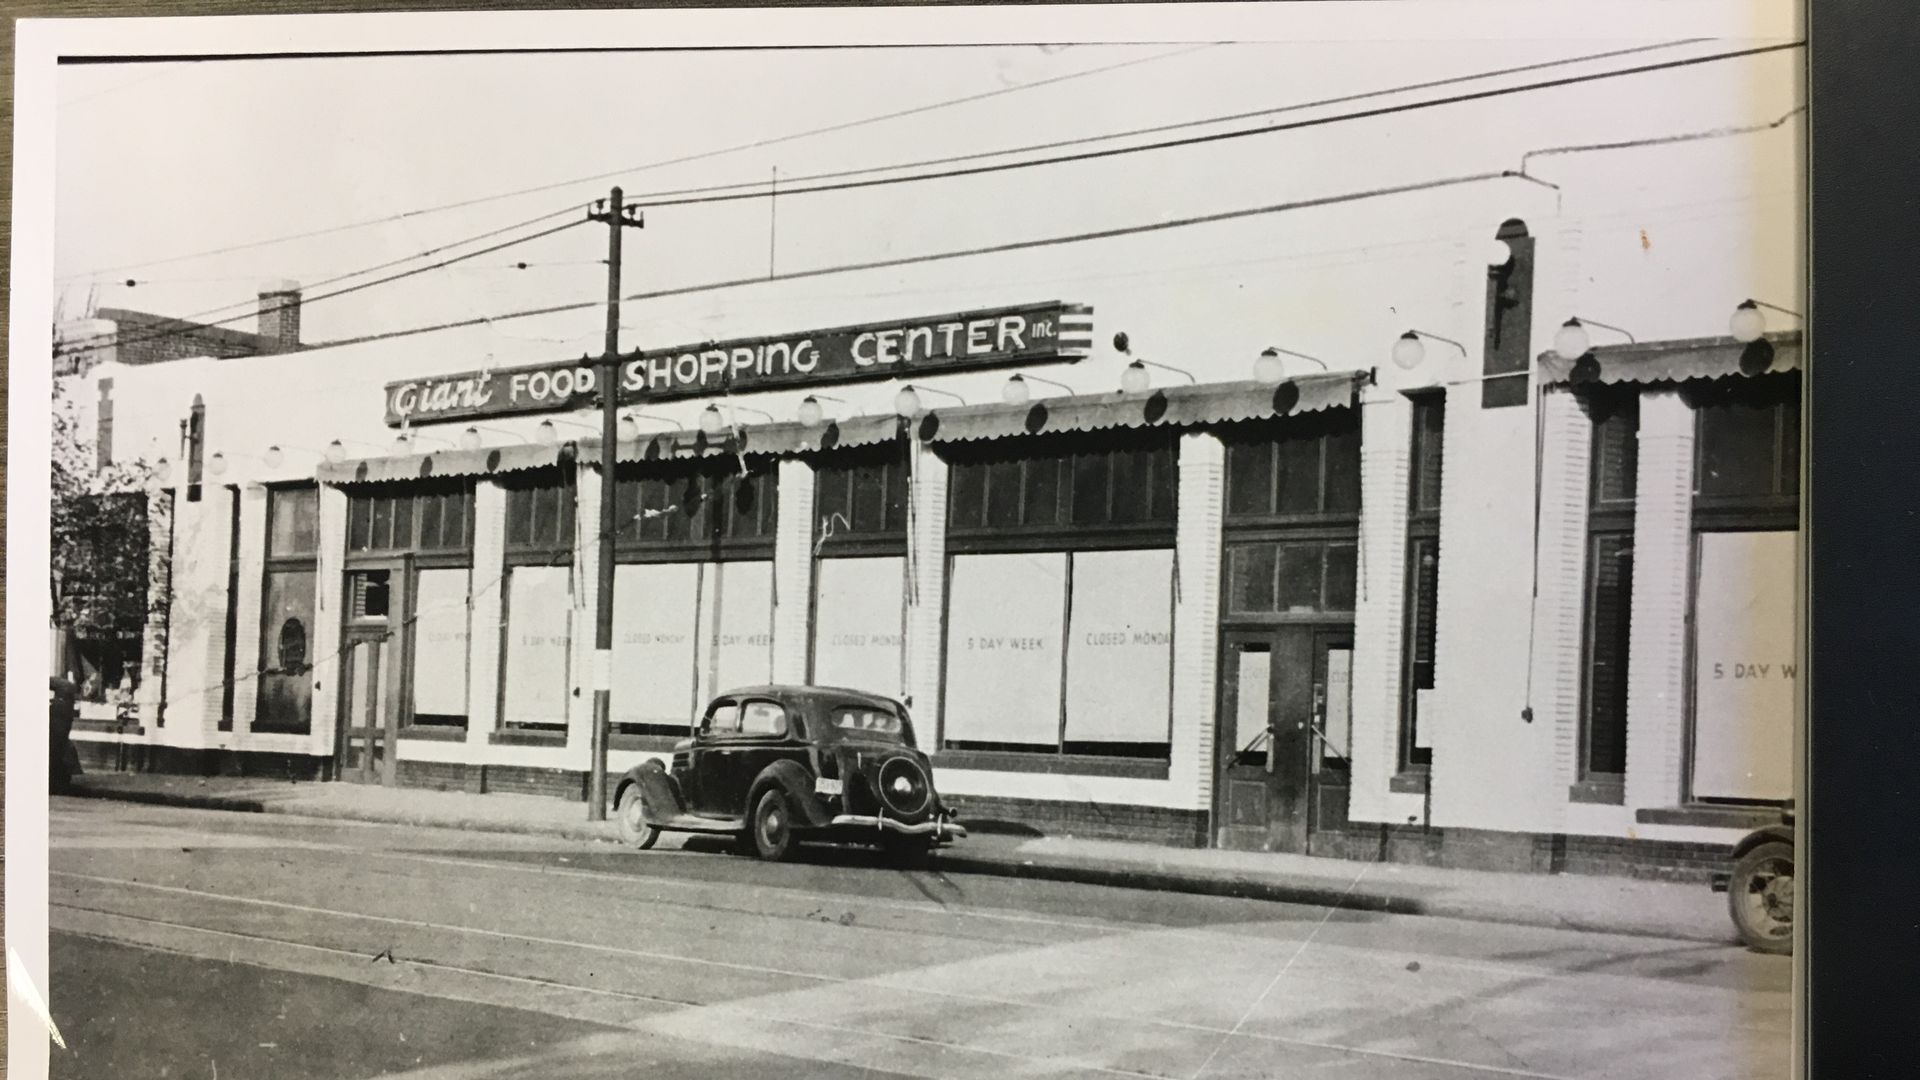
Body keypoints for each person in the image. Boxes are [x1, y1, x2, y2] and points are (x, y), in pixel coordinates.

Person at [50, 675, 80, 793]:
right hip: (60, 736)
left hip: (56, 735)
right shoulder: (68, 705)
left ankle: (55, 783)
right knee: (58, 754)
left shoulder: (58, 706)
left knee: (55, 755)